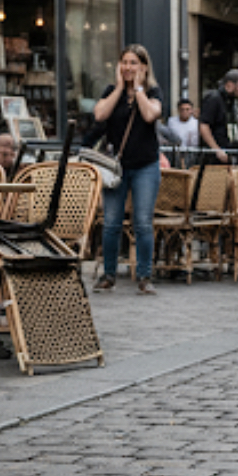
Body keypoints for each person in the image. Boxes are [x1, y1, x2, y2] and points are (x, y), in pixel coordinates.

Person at [91, 44, 164, 295]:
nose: (128, 67)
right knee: (111, 223)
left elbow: (149, 115)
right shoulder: (112, 91)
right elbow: (99, 114)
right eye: (125, 62)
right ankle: (109, 275)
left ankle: (144, 276)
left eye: (134, 63)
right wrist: (121, 88)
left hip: (146, 166)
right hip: (117, 169)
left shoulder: (153, 91)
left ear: (143, 67)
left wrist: (139, 89)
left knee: (143, 222)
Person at [198, 69, 238, 165]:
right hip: (215, 156)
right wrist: (216, 150)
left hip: (230, 152)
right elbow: (204, 125)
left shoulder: (233, 102)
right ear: (229, 85)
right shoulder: (214, 98)